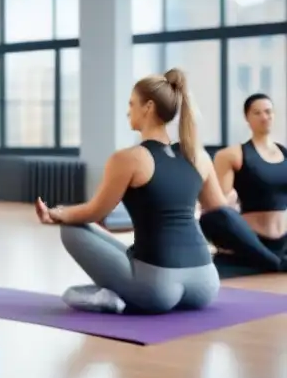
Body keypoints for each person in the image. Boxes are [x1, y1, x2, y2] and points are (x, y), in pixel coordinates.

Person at [36, 69, 225, 314]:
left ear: (147, 107)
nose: (128, 111)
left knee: (71, 232)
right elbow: (218, 208)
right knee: (129, 251)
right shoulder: (198, 156)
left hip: (157, 288)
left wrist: (57, 213)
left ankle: (113, 298)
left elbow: (94, 212)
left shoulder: (129, 159)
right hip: (206, 282)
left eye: (131, 104)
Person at [199, 93, 287, 272]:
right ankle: (276, 264)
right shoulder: (232, 155)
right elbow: (219, 204)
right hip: (252, 238)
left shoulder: (285, 153)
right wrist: (229, 198)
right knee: (214, 217)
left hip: (284, 239)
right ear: (247, 117)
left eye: (268, 112)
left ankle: (271, 262)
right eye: (257, 112)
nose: (264, 117)